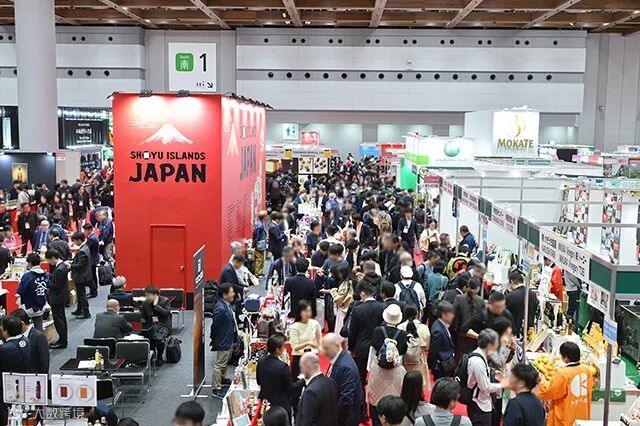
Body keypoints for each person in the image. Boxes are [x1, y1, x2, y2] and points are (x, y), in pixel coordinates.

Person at [368, 304, 408, 426]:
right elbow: (403, 351)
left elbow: (374, 347)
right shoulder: (402, 334)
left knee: (375, 398)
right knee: (394, 400)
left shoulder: (377, 331)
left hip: (379, 369)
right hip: (396, 371)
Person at [537, 342, 594, 426]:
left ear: (566, 358)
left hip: (566, 416)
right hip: (582, 414)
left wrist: (541, 380)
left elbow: (549, 391)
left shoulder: (563, 373)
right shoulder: (587, 370)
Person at [348, 281, 384, 394]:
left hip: (361, 347)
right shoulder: (382, 307)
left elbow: (353, 331)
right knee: (378, 377)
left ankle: (361, 402)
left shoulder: (358, 309)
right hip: (378, 348)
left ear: (362, 293)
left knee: (360, 378)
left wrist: (351, 347)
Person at [321, 333, 363, 426]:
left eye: (326, 348)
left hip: (344, 420)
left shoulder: (345, 367)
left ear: (336, 345)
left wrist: (333, 420)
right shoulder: (338, 359)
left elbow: (346, 400)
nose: (323, 352)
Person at [466, 329, 506, 426]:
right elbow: (486, 387)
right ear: (489, 345)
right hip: (479, 405)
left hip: (482, 402)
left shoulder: (480, 355)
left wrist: (493, 373)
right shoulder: (478, 362)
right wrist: (503, 384)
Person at [0, 315, 31, 425]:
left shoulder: (4, 349)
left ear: (6, 331)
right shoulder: (26, 340)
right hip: (24, 382)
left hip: (7, 387)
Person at [210, 283, 238, 399]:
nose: (233, 294)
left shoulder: (226, 304)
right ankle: (216, 388)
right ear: (225, 294)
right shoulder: (220, 309)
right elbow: (215, 327)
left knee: (225, 361)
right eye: (231, 292)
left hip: (228, 338)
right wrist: (216, 339)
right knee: (220, 364)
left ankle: (222, 379)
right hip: (223, 340)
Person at [295, 352, 338, 426]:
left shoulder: (311, 392)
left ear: (308, 367)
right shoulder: (331, 382)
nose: (301, 370)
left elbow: (308, 422)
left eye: (301, 367)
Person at [257, 333, 295, 415]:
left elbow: (259, 381)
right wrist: (302, 380)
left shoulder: (260, 362)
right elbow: (290, 388)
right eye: (283, 347)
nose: (284, 349)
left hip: (265, 403)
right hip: (281, 406)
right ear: (277, 350)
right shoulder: (283, 366)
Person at [398, 305, 431, 391]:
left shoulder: (399, 327)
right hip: (419, 361)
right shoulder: (424, 328)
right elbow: (427, 347)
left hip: (403, 362)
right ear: (417, 313)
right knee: (418, 386)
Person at [289, 300, 322, 384]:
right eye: (306, 311)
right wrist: (308, 343)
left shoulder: (315, 323)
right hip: (299, 359)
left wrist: (318, 348)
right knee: (297, 385)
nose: (308, 313)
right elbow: (295, 347)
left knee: (313, 384)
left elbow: (320, 340)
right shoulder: (294, 327)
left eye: (309, 311)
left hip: (312, 357)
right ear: (300, 312)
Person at [452, 278, 484, 359]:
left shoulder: (459, 298)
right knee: (472, 358)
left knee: (459, 358)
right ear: (478, 288)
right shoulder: (481, 301)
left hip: (460, 334)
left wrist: (454, 329)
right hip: (474, 335)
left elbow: (453, 314)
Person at [17, 252, 50, 330]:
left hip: (28, 306)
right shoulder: (46, 274)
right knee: (39, 328)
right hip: (41, 305)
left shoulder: (27, 276)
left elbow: (20, 291)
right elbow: (49, 286)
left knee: (25, 329)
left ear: (29, 263)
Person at [141, 285, 172, 366]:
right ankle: (151, 354)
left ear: (155, 295)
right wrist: (143, 321)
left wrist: (156, 306)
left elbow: (166, 313)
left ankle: (159, 357)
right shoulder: (146, 303)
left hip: (163, 325)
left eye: (148, 296)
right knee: (145, 336)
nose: (147, 297)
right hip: (150, 325)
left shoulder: (165, 301)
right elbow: (143, 315)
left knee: (159, 338)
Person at [12, 309, 49, 374]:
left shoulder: (38, 336)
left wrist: (41, 377)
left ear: (22, 324)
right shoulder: (18, 335)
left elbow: (44, 361)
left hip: (34, 375)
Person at [45, 249, 69, 349]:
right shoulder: (62, 266)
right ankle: (63, 339)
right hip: (61, 296)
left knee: (59, 320)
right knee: (61, 319)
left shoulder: (59, 270)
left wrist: (47, 283)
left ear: (53, 258)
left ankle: (62, 341)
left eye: (49, 260)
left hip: (57, 298)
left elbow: (56, 286)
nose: (49, 263)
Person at [505, 271, 539, 338]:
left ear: (511, 282)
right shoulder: (532, 294)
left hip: (514, 333)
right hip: (529, 331)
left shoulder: (510, 296)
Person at [428, 301, 456, 380]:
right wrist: (434, 367)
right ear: (444, 315)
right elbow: (433, 351)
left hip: (446, 363)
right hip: (441, 367)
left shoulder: (442, 324)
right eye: (451, 314)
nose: (453, 316)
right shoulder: (438, 330)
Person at [67, 231, 92, 318]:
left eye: (74, 240)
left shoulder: (82, 251)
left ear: (78, 240)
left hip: (81, 276)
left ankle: (86, 312)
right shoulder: (85, 247)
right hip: (83, 275)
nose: (73, 243)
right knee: (80, 294)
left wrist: (70, 266)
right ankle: (79, 309)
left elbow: (80, 265)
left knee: (81, 295)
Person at [82, 223, 100, 298]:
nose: (84, 232)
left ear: (89, 230)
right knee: (93, 275)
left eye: (85, 230)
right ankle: (94, 290)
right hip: (94, 258)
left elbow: (86, 247)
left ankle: (93, 291)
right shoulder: (93, 236)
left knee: (91, 276)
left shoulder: (91, 238)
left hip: (92, 259)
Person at [253, 211, 269, 277]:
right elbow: (256, 236)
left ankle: (259, 272)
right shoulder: (259, 226)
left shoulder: (260, 223)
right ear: (264, 217)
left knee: (261, 259)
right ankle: (257, 274)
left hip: (261, 244)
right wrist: (255, 244)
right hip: (259, 244)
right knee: (259, 259)